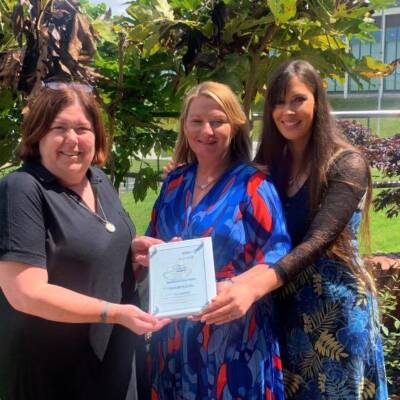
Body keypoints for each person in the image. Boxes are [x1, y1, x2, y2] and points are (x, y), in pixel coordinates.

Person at [0, 84, 168, 400]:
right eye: (59, 128)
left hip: (113, 361)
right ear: (38, 135)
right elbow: (25, 293)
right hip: (54, 371)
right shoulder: (22, 189)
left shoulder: (98, 180)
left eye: (82, 128)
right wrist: (114, 313)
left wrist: (130, 256)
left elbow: (91, 251)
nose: (73, 140)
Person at [133, 81, 291, 399]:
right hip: (175, 339)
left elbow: (279, 251)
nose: (206, 130)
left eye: (217, 121)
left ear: (233, 126)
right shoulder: (175, 184)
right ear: (185, 126)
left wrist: (243, 288)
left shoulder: (254, 184)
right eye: (197, 121)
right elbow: (153, 243)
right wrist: (150, 254)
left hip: (235, 339)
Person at [240, 59, 386, 399]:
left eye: (297, 100)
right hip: (285, 308)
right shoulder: (270, 167)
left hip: (335, 313)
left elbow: (318, 240)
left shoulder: (347, 163)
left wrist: (256, 286)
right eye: (278, 102)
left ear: (317, 101)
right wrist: (190, 174)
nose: (286, 111)